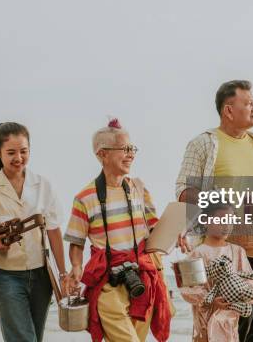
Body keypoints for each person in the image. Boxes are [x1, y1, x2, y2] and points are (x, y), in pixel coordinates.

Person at [176, 80, 253, 342]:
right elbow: (184, 190)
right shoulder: (204, 144)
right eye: (249, 102)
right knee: (222, 322)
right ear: (228, 110)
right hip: (222, 252)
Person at [64, 118, 172, 342]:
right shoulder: (84, 198)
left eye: (132, 149)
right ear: (102, 154)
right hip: (109, 284)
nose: (131, 154)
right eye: (125, 149)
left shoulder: (139, 188)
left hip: (143, 278)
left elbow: (155, 228)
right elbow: (76, 241)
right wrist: (75, 267)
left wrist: (175, 232)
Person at [0, 122, 67, 342]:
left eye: (23, 151)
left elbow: (54, 231)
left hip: (42, 276)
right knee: (22, 339)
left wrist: (63, 273)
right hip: (7, 275)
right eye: (11, 152)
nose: (18, 157)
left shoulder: (43, 185)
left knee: (34, 337)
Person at [180, 204, 253, 342]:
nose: (226, 225)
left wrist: (251, 294)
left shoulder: (237, 251)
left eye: (230, 220)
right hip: (205, 319)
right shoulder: (197, 253)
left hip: (232, 319)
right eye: (221, 220)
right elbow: (187, 289)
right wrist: (210, 299)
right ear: (206, 221)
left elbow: (250, 281)